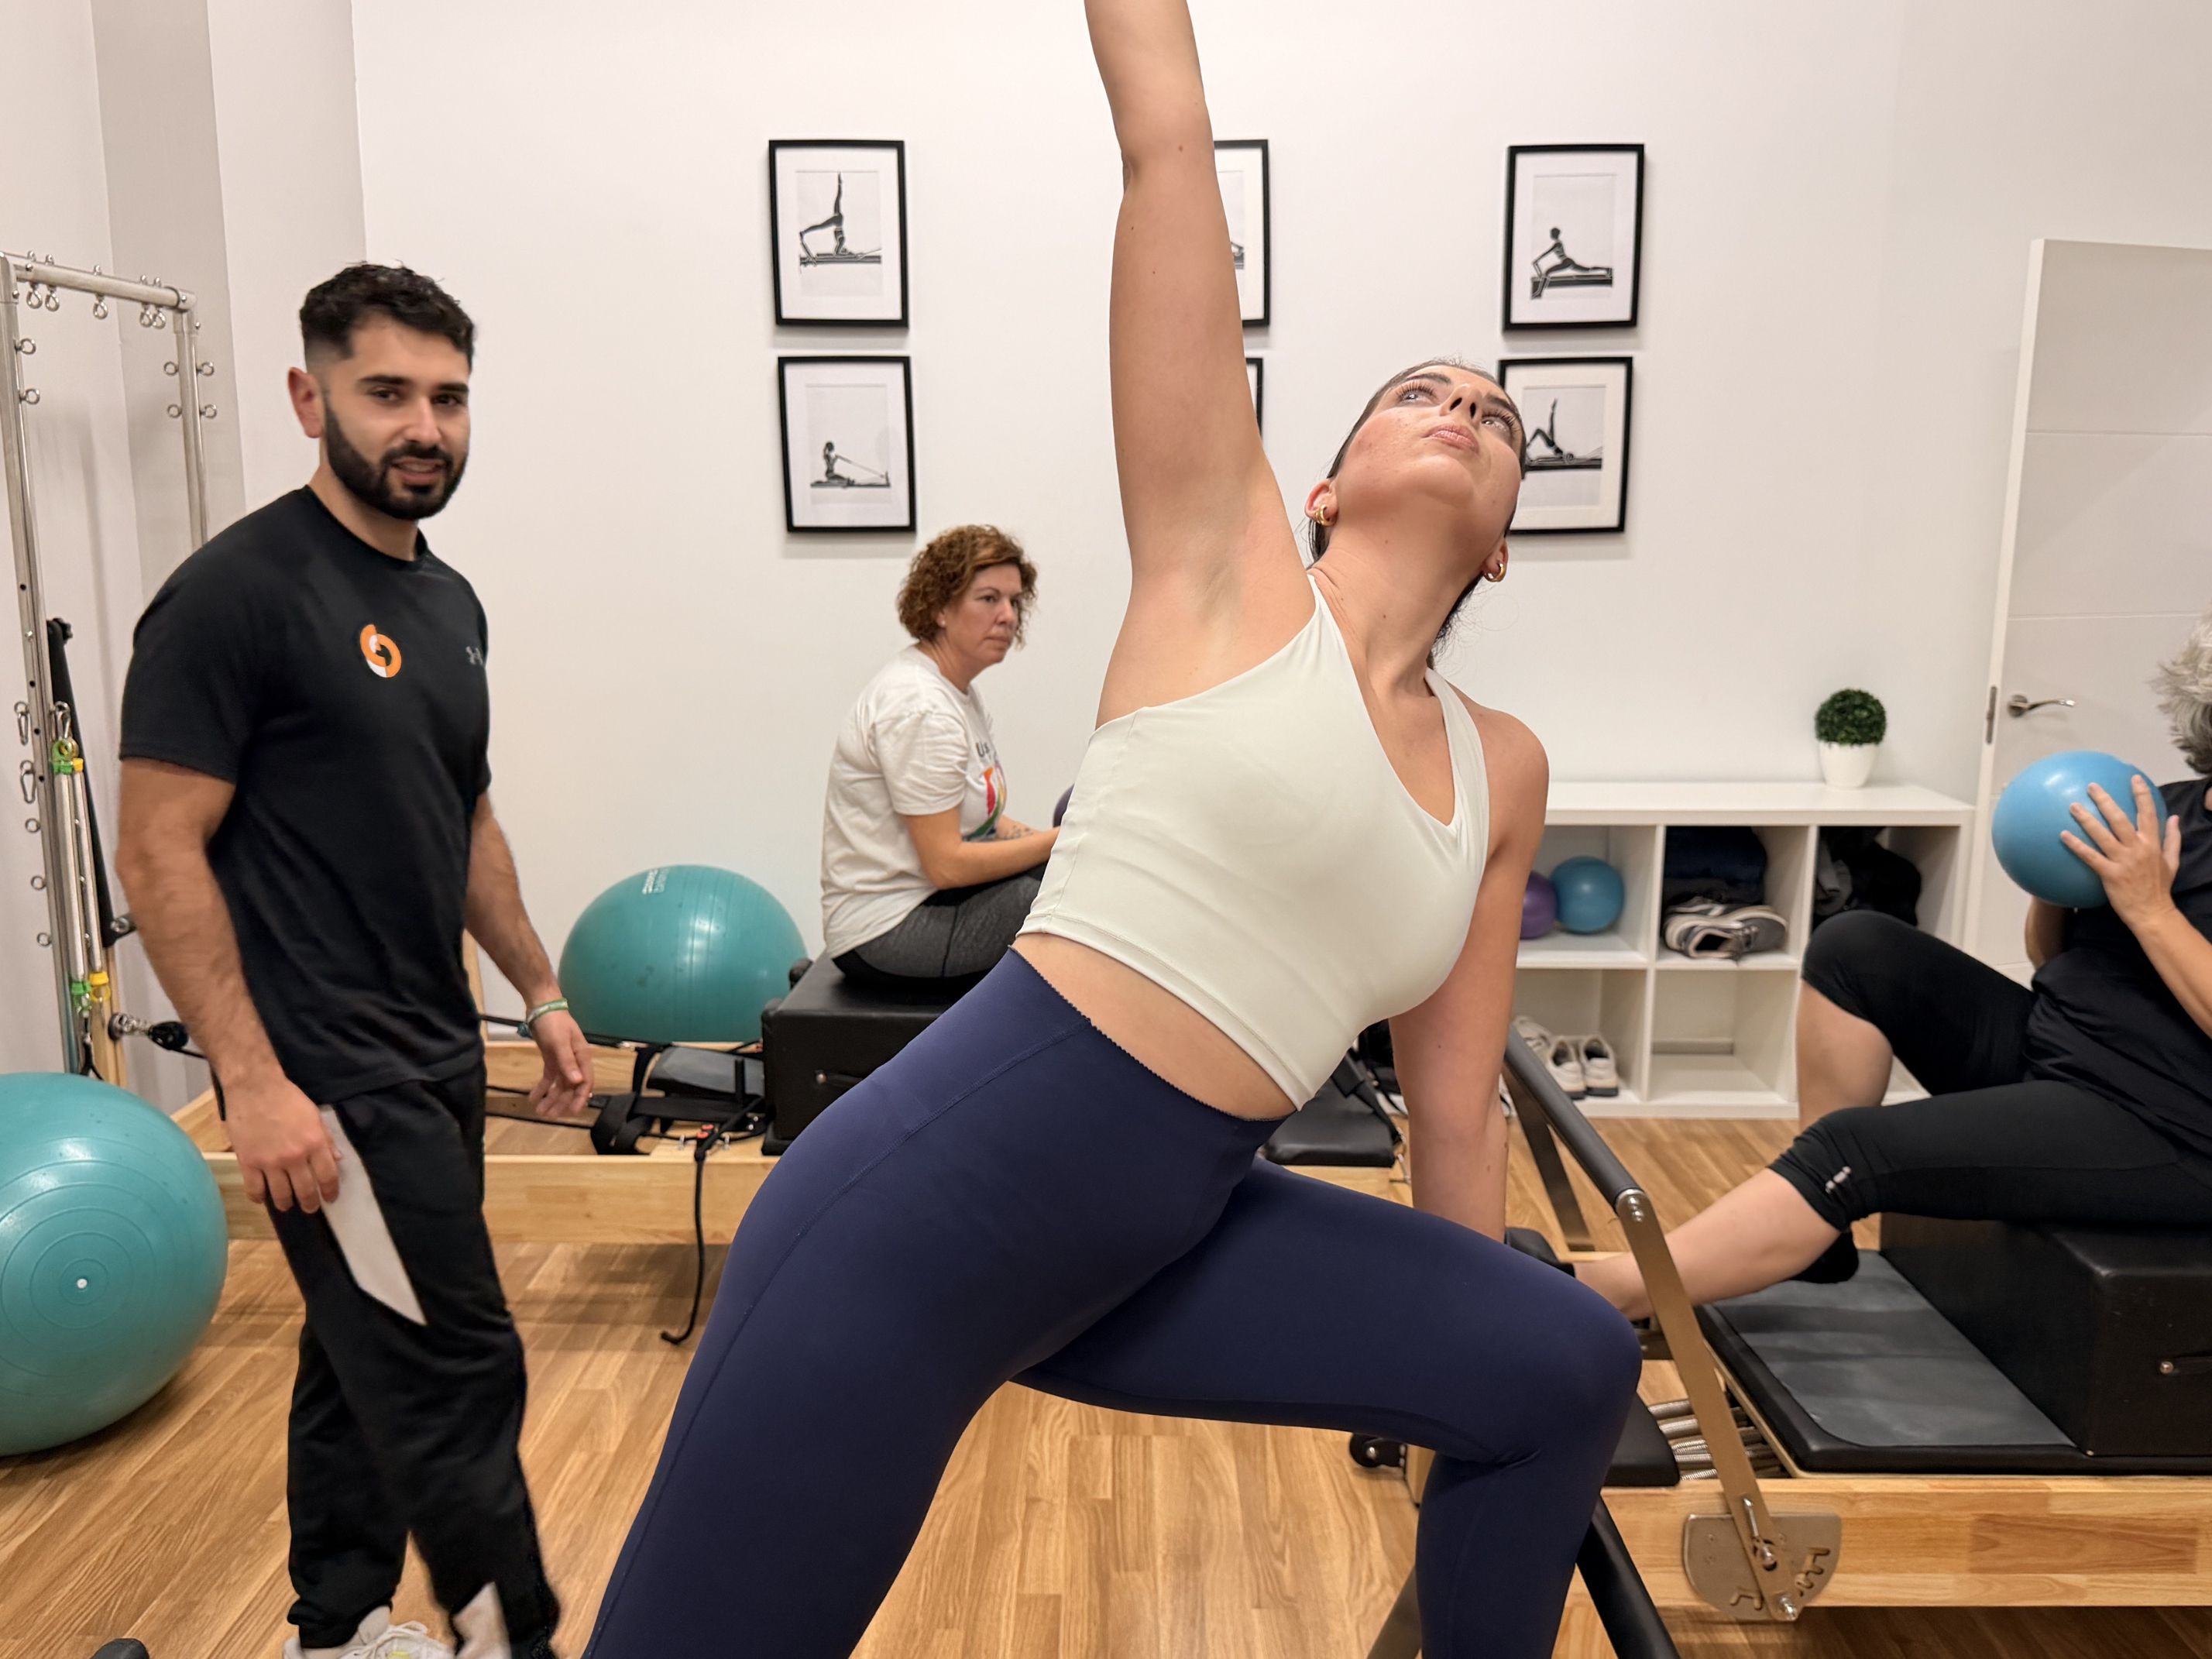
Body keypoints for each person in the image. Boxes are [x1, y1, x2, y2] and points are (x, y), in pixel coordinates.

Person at [583, 3, 1640, 1654]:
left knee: (1561, 1358)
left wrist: (1456, 1373)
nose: (1462, 407)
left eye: (1497, 415)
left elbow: (1455, 1118)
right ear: (1324, 483)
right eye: (1418, 392)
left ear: (1506, 541)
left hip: (1177, 1230)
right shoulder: (1227, 563)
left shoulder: (1502, 768)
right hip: (913, 1226)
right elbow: (1167, 137)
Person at [116, 264, 587, 1659]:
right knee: (454, 1367)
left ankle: (337, 1627)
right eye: (387, 393)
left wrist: (542, 990)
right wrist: (253, 1083)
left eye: (448, 397)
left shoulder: (448, 604)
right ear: (308, 397)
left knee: (358, 1348)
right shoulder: (232, 597)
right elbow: (157, 849)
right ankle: (514, 1640)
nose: (423, 426)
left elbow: (466, 816)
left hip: (434, 1049)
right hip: (328, 1075)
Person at [1577, 603, 2212, 1321]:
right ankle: (1818, 1232)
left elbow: (2154, 931)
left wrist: (2150, 908)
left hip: (2171, 1125)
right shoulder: (2159, 811)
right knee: (1855, 945)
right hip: (2059, 1053)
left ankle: (1613, 1293)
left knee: (1852, 1149)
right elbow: (2059, 961)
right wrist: (2056, 886)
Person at [820, 525, 1056, 993]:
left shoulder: (955, 693)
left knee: (1070, 878)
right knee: (1060, 903)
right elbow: (946, 865)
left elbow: (986, 824)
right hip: (886, 930)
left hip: (930, 901)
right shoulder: (921, 706)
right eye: (988, 599)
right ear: (940, 608)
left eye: (1014, 601)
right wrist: (1062, 843)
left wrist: (1068, 847)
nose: (1008, 616)